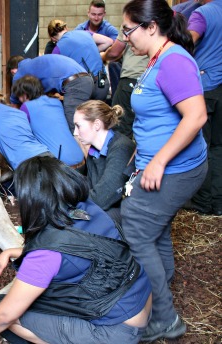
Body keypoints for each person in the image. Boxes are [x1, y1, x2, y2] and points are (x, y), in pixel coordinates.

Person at [0, 156, 152, 344]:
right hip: (141, 301)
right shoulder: (87, 208)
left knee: (7, 314)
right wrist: (14, 252)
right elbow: (80, 252)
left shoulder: (45, 255)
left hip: (116, 332)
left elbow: (4, 316)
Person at [120, 0, 208, 341]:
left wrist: (158, 160)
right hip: (160, 163)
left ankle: (164, 318)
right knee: (154, 229)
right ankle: (160, 282)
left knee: (137, 228)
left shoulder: (173, 61)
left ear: (151, 27)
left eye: (129, 30)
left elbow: (196, 116)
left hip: (175, 169)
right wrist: (144, 149)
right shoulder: (157, 58)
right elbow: (159, 113)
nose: (126, 37)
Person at [184, 0, 222, 216]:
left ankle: (202, 201)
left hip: (206, 87)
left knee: (202, 146)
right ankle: (218, 202)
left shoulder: (203, 13)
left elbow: (189, 40)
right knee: (219, 147)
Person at [73, 100, 135, 225]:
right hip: (109, 208)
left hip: (127, 214)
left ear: (96, 125)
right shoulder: (95, 150)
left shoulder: (121, 148)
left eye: (78, 126)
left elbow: (102, 198)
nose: (75, 132)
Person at [12, 75, 85, 170]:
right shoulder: (56, 102)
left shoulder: (26, 107)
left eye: (19, 96)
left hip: (62, 166)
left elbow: (20, 135)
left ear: (24, 95)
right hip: (80, 158)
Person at [8, 54, 94, 132]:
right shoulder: (36, 64)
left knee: (74, 126)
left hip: (75, 83)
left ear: (13, 70)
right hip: (87, 78)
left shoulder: (19, 74)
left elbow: (14, 107)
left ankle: (80, 148)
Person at [48, 19, 113, 102]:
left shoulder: (57, 49)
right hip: (102, 84)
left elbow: (53, 74)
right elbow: (108, 41)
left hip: (83, 88)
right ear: (66, 28)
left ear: (52, 38)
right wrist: (92, 51)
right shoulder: (85, 33)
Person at [102, 34, 149, 138]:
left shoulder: (131, 22)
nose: (125, 38)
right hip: (150, 78)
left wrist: (102, 56)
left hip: (132, 76)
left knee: (120, 126)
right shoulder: (161, 22)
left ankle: (121, 153)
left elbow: (114, 53)